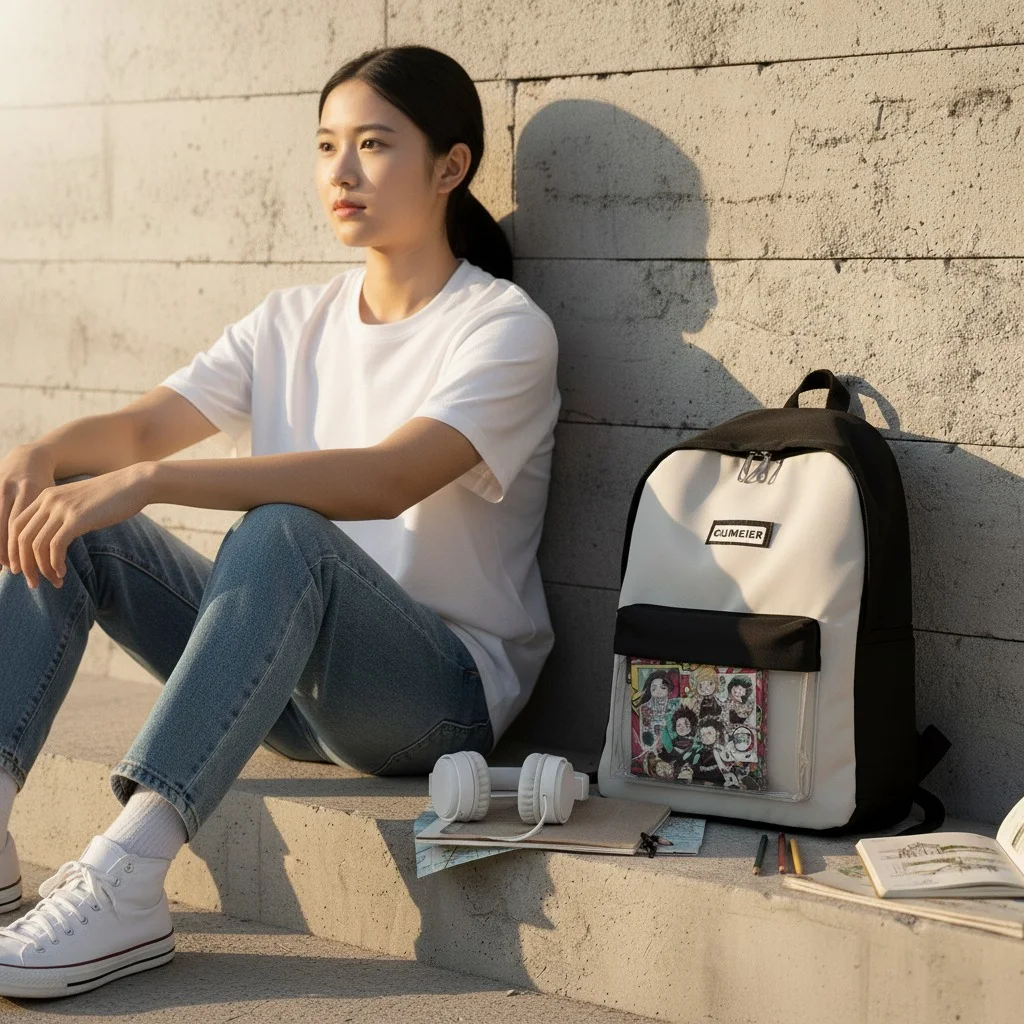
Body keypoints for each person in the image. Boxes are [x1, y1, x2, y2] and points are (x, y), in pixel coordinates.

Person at [0, 44, 561, 999]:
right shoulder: (290, 318)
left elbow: (388, 479)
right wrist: (43, 454)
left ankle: (128, 876)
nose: (341, 173)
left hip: (432, 697)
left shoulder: (502, 329)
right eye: (326, 145)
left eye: (374, 145)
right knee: (77, 521)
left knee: (280, 528)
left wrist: (150, 480)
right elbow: (142, 423)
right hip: (289, 693)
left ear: (450, 166)